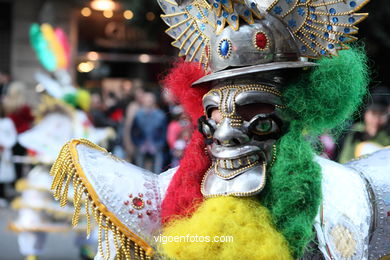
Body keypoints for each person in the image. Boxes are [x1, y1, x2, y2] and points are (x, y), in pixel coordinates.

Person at [50, 1, 390, 259]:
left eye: (254, 113)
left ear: (293, 111)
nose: (225, 133)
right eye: (215, 113)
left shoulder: (347, 196)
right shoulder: (160, 194)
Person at [339, 90, 390, 162]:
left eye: (382, 115)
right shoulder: (356, 129)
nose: (376, 120)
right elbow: (344, 159)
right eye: (373, 113)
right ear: (366, 113)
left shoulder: (387, 136)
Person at [131, 92, 167, 173]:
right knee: (140, 171)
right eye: (147, 100)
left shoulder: (160, 115)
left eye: (150, 100)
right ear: (143, 101)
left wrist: (159, 145)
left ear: (154, 101)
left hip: (156, 146)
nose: (149, 102)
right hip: (142, 146)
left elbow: (164, 132)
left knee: (158, 171)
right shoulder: (138, 115)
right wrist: (138, 144)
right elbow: (133, 132)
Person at [0, 102, 17, 206]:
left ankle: (4, 195)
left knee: (4, 174)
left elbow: (12, 136)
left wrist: (5, 145)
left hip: (5, 151)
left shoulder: (8, 122)